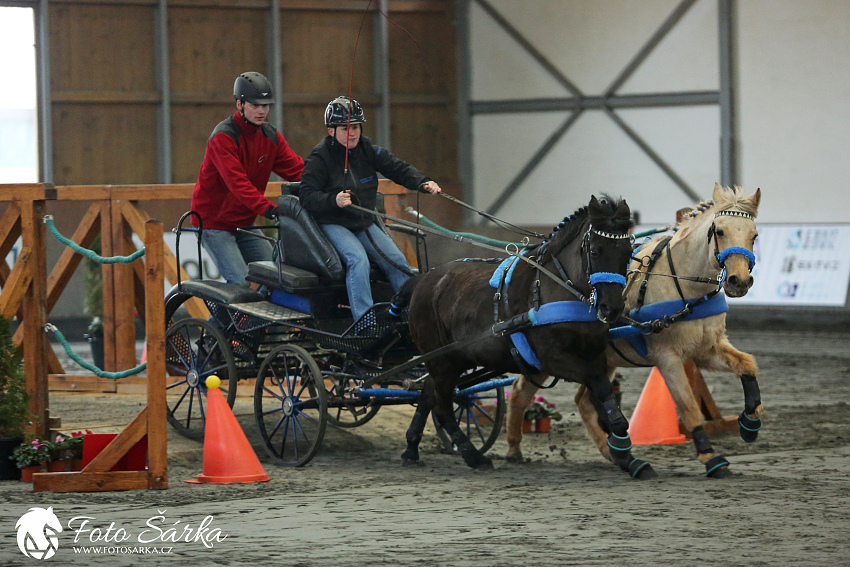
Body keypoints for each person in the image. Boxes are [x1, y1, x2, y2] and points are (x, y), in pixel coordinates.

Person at [299, 96, 442, 320]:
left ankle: (415, 317)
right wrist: (332, 200)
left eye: (355, 126)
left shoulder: (368, 150)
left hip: (363, 221)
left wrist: (422, 182)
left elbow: (397, 168)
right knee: (358, 259)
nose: (352, 132)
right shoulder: (319, 158)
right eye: (345, 128)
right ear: (331, 131)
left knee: (397, 260)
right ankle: (365, 322)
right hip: (332, 223)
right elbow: (306, 196)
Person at [191, 71, 304, 286]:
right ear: (240, 104)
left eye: (266, 105)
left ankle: (251, 321)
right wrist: (270, 209)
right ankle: (215, 322)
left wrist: (326, 184)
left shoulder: (271, 136)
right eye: (255, 105)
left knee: (276, 277)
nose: (261, 111)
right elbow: (238, 185)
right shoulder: (224, 137)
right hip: (213, 224)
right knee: (240, 283)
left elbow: (297, 169)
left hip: (244, 223)